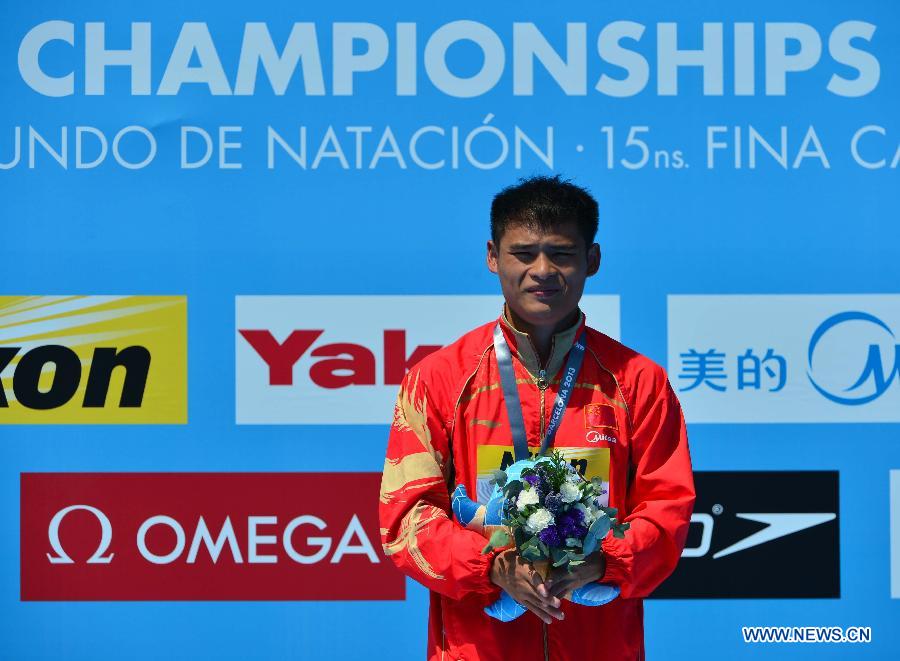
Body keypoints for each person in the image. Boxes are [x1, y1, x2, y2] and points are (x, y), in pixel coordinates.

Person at [379, 175, 695, 661]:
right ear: (492, 256)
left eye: (562, 254)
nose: (542, 271)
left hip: (601, 645)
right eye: (523, 253)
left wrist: (601, 562)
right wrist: (493, 567)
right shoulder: (438, 380)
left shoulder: (638, 382)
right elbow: (407, 518)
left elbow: (667, 511)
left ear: (592, 260)